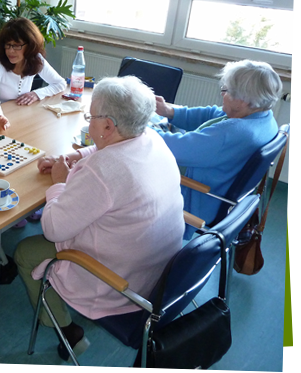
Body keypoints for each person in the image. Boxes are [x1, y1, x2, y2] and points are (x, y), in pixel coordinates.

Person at [15, 76, 184, 361]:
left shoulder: (103, 171)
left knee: (24, 251)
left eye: (90, 117)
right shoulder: (150, 136)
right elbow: (104, 151)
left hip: (120, 283)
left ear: (108, 126)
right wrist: (73, 156)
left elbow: (53, 228)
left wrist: (59, 182)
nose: (87, 123)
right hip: (160, 266)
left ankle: (66, 330)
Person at [153, 59, 282, 231]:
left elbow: (176, 149)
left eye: (226, 91)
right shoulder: (262, 117)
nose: (222, 94)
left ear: (242, 100)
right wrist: (169, 111)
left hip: (202, 198)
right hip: (223, 190)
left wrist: (140, 127)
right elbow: (214, 113)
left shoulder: (233, 133)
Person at [0, 17, 67, 131]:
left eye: (17, 45)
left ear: (30, 45)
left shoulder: (35, 58)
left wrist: (36, 94)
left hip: (20, 114)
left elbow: (60, 83)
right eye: (8, 45)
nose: (11, 51)